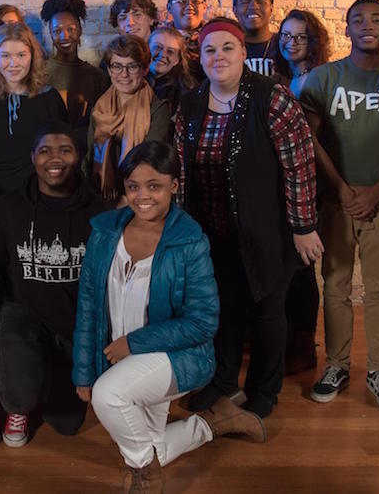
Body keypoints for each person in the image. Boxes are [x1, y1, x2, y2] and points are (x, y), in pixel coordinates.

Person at [72, 141, 265, 494]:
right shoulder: (104, 233)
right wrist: (83, 369)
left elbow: (202, 322)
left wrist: (133, 343)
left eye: (154, 186)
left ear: (174, 185)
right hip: (121, 359)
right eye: (133, 187)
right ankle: (214, 422)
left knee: (110, 397)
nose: (142, 196)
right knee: (151, 447)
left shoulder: (190, 241)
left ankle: (146, 476)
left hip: (175, 358)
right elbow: (88, 305)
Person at [177, 18, 321, 419]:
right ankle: (223, 381)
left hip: (264, 229)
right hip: (212, 230)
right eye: (210, 49)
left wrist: (303, 226)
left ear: (243, 53)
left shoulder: (269, 97)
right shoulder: (190, 102)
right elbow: (184, 170)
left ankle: (263, 390)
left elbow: (299, 165)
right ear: (200, 57)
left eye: (227, 48)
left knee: (267, 311)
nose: (218, 56)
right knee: (221, 308)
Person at [299, 0, 379, 413]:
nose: (367, 25)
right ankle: (336, 364)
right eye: (358, 19)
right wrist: (341, 189)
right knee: (334, 285)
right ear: (348, 29)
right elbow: (311, 139)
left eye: (377, 19)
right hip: (336, 200)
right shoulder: (323, 77)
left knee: (378, 287)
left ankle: (378, 369)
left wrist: (374, 192)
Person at [0, 122, 108, 448]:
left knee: (67, 424)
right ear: (33, 157)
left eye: (65, 150)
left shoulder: (98, 211)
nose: (55, 158)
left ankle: (49, 379)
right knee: (19, 391)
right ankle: (19, 406)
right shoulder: (10, 206)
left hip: (74, 320)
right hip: (25, 312)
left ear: (78, 156)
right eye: (45, 150)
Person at [0, 22, 69, 240]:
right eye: (6, 55)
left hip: (38, 207)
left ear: (32, 57)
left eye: (21, 55)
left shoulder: (49, 99)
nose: (13, 63)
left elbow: (61, 152)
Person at [269, 9, 333, 374]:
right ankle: (292, 339)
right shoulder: (282, 78)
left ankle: (305, 344)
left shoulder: (321, 78)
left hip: (312, 185)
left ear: (315, 41)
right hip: (284, 185)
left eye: (301, 36)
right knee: (288, 269)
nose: (291, 43)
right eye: (287, 36)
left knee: (303, 269)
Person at [87, 35, 171, 203]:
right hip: (100, 197)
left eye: (132, 66)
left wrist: (127, 199)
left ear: (145, 69)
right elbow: (90, 156)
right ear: (109, 70)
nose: (124, 74)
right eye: (117, 66)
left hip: (139, 198)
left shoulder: (157, 109)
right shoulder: (100, 107)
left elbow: (152, 163)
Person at [40, 0, 109, 145]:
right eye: (57, 31)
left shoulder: (98, 77)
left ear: (80, 30)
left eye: (71, 29)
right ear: (50, 34)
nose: (65, 36)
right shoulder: (39, 72)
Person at [165, 0, 209, 84]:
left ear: (204, 7)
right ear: (169, 8)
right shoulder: (160, 40)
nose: (189, 7)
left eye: (195, 1)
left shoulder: (214, 37)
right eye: (181, 1)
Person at [147, 26, 197, 115]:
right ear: (147, 49)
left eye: (170, 51)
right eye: (157, 47)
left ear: (177, 60)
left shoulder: (185, 93)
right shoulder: (129, 79)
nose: (162, 54)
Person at [232, 0, 276, 77]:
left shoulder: (284, 45)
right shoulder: (228, 48)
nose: (253, 6)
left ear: (271, 8)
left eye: (261, 2)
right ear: (235, 10)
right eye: (245, 2)